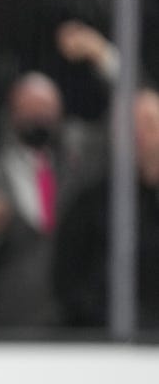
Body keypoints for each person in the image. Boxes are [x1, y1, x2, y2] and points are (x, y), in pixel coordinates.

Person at [0, 70, 105, 330]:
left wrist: (104, 60)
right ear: (12, 113)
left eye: (47, 109)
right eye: (31, 109)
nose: (39, 118)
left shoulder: (78, 168)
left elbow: (126, 125)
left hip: (77, 330)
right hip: (7, 330)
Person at [53, 87, 159, 331]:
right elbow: (69, 285)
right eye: (131, 128)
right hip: (108, 346)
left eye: (150, 125)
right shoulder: (91, 205)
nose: (141, 136)